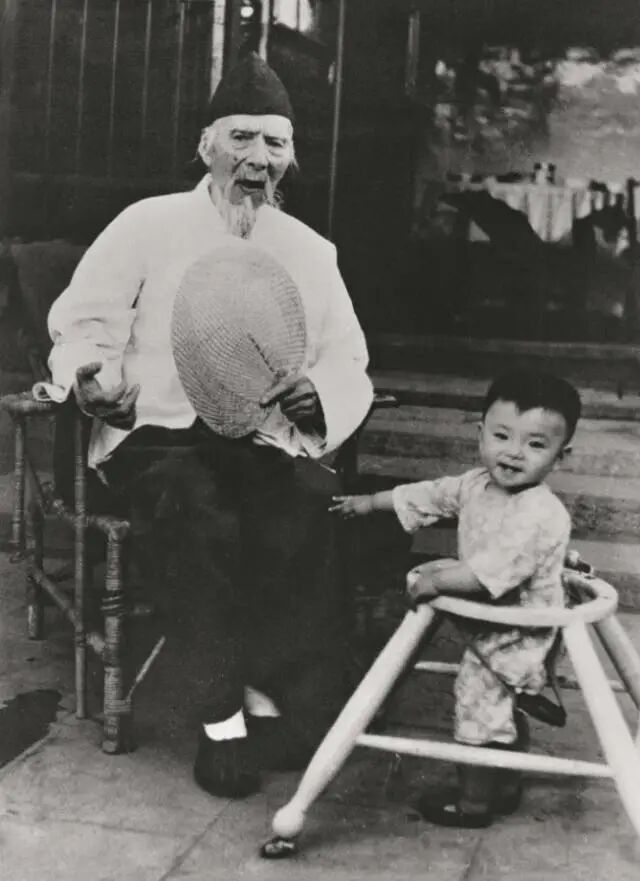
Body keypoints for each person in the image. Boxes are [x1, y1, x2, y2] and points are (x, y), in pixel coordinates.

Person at [35, 52, 373, 798]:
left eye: (275, 143)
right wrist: (92, 380)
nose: (258, 158)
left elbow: (349, 360)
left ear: (290, 158)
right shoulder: (146, 224)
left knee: (304, 508)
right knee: (195, 510)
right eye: (241, 137)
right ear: (207, 146)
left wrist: (320, 394)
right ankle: (220, 718)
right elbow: (83, 325)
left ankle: (273, 698)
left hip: (257, 441)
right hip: (156, 437)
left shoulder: (309, 251)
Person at [331, 369, 581, 827]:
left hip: (518, 631)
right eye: (502, 436)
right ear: (480, 433)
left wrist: (439, 581)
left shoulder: (539, 513)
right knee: (497, 705)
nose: (513, 452)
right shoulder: (475, 484)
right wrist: (370, 502)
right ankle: (503, 781)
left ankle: (474, 802)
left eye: (535, 444)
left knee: (479, 704)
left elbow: (489, 573)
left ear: (560, 456)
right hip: (490, 621)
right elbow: (432, 495)